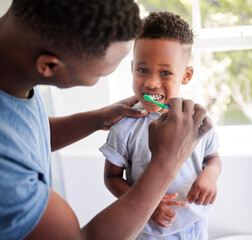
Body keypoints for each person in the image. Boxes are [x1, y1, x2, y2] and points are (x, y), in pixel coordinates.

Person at [0, 1, 213, 240]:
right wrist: (166, 162)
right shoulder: (7, 175)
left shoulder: (14, 72)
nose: (150, 83)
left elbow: (26, 133)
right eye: (101, 73)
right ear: (49, 66)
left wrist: (98, 118)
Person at [100, 11, 222, 240]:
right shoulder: (124, 125)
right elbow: (111, 178)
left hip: (196, 225)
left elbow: (212, 159)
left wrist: (210, 176)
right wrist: (145, 205)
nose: (151, 83)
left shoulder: (197, 119)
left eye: (165, 72)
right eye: (142, 70)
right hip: (149, 231)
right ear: (132, 67)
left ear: (186, 76)